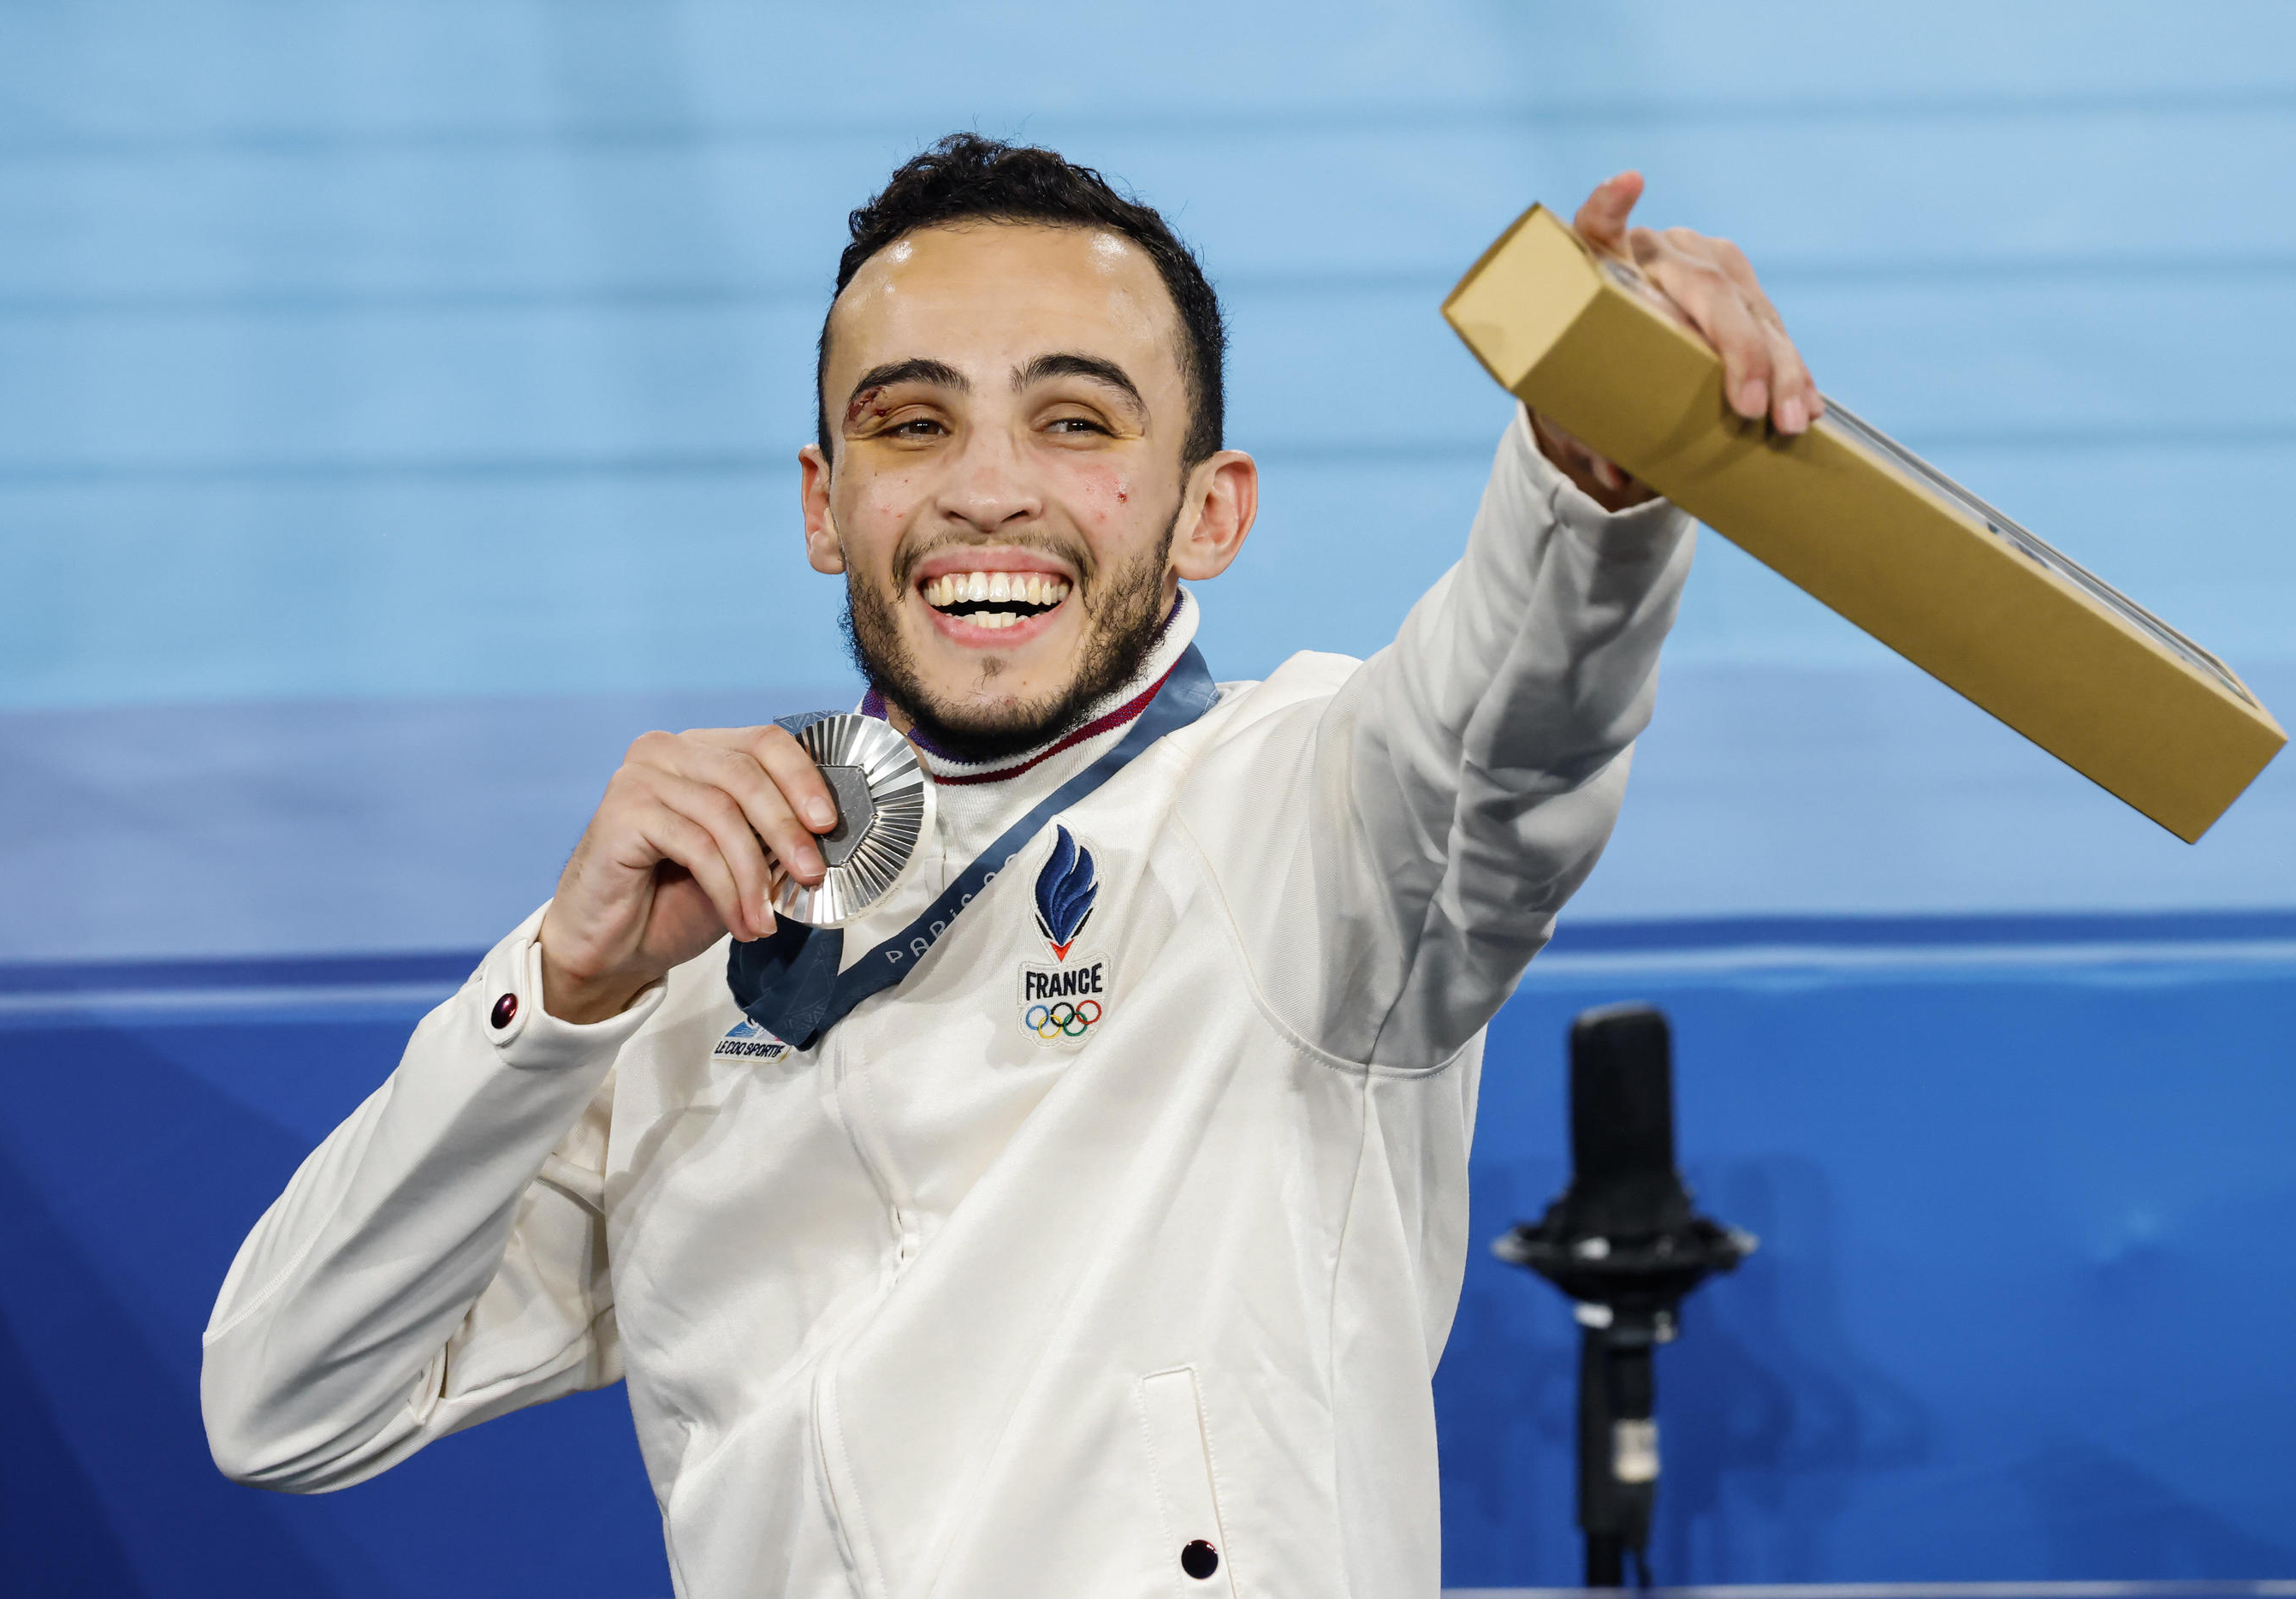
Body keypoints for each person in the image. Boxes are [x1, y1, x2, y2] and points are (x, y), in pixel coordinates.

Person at [201, 134, 1818, 1596]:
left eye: (1074, 420)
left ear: (1208, 513)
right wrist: (558, 990)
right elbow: (283, 1397)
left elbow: (1501, 743)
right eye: (915, 424)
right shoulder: (694, 938)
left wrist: (1589, 483)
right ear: (827, 506)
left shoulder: (1307, 817)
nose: (988, 488)